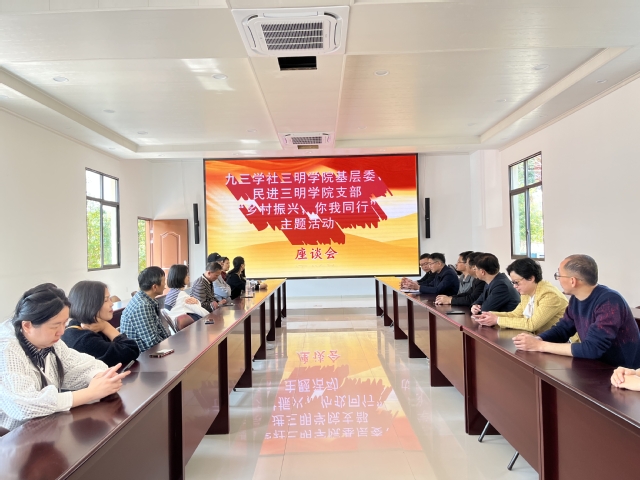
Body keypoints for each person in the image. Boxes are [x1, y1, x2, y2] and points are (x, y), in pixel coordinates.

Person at [0, 283, 130, 432]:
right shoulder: (6, 348)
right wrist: (90, 393)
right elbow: (23, 405)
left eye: (64, 323)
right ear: (27, 326)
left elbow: (80, 364)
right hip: (14, 437)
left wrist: (101, 377)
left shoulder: (50, 341)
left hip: (46, 428)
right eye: (55, 326)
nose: (62, 332)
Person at [515, 255, 640, 368]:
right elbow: (563, 329)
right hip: (595, 366)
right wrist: (538, 339)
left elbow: (592, 349)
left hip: (621, 372)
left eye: (559, 275)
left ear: (572, 281)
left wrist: (540, 346)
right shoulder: (576, 299)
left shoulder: (609, 301)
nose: (558, 279)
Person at [472, 258, 568, 333]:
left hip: (561, 343)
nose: (514, 286)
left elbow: (532, 324)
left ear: (531, 278)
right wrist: (489, 315)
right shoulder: (527, 292)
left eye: (516, 282)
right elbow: (515, 315)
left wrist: (497, 320)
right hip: (537, 339)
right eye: (513, 282)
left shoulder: (550, 295)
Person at [62, 281, 140, 367]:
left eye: (110, 299)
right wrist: (106, 327)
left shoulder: (92, 325)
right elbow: (131, 350)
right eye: (106, 300)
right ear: (89, 304)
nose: (111, 304)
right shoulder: (83, 340)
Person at [120, 267, 171, 353]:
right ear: (155, 287)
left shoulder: (146, 299)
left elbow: (160, 329)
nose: (165, 284)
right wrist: (170, 347)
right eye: (163, 281)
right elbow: (153, 342)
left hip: (151, 352)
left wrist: (169, 341)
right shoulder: (142, 306)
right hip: (143, 356)